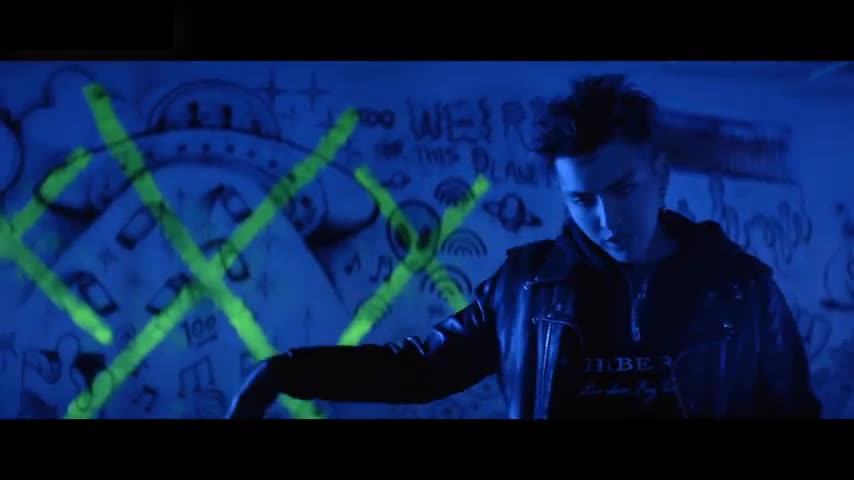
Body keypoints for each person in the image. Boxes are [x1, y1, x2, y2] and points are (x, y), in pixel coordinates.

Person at [226, 74, 821, 419]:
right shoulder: (524, 286)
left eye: (623, 189)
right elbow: (416, 370)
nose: (607, 219)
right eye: (582, 199)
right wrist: (288, 371)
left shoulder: (741, 287)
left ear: (660, 174)